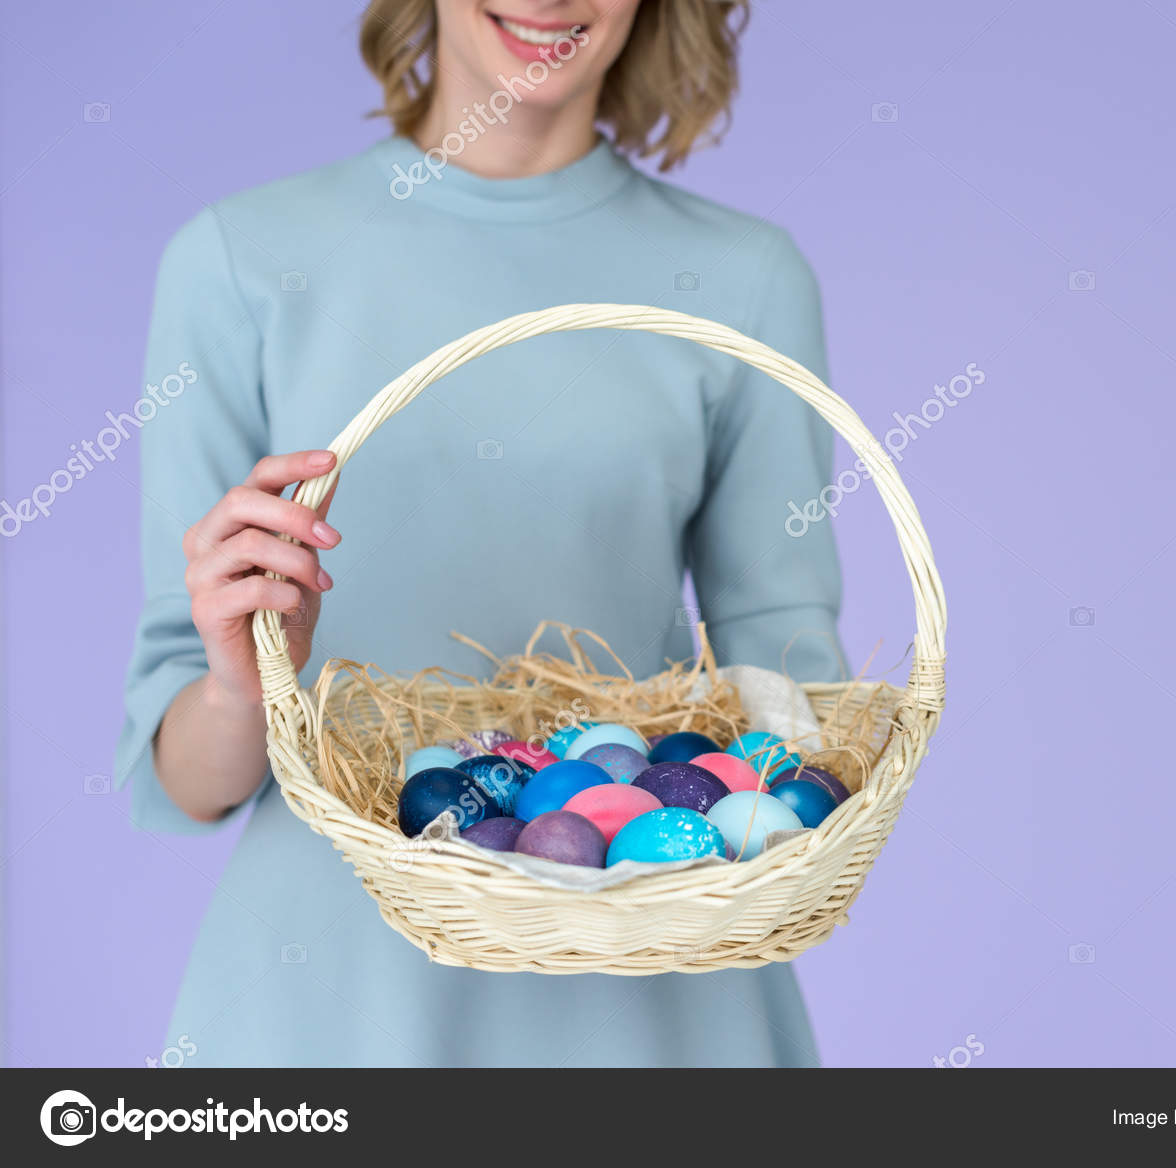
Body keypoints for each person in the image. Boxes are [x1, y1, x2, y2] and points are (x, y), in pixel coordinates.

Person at [116, 0, 844, 1067]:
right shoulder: (240, 262)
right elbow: (186, 782)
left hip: (646, 962)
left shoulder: (744, 279)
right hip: (335, 993)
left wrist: (787, 800)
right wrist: (239, 685)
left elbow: (791, 688)